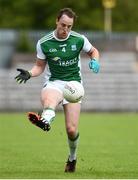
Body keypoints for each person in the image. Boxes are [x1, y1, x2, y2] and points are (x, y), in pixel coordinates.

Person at [15, 7, 100, 173]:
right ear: (57, 21)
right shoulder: (44, 42)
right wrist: (30, 73)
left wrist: (95, 61)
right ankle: (45, 120)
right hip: (54, 82)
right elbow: (39, 66)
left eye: (69, 26)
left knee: (71, 129)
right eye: (63, 25)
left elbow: (93, 51)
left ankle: (72, 158)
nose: (66, 29)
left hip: (74, 85)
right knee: (49, 101)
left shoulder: (79, 39)